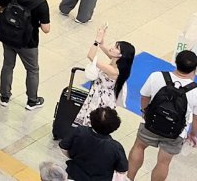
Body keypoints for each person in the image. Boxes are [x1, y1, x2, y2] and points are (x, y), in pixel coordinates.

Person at [127, 50, 197, 181]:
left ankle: (128, 178)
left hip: (151, 123)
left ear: (176, 63)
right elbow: (196, 117)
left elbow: (144, 96)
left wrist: (145, 113)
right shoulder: (195, 90)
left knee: (139, 147)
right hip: (176, 132)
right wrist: (193, 133)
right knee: (163, 163)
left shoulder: (157, 76)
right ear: (194, 69)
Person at [0, 0, 51, 110]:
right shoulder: (41, 3)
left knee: (8, 65)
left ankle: (4, 96)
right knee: (32, 70)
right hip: (28, 42)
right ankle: (32, 101)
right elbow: (46, 29)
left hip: (7, 37)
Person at [75, 26, 136, 130]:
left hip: (100, 99)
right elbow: (103, 46)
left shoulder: (113, 70)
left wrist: (96, 40)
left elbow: (91, 56)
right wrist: (101, 37)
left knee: (92, 123)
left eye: (116, 48)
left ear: (121, 55)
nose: (112, 48)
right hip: (99, 95)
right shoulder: (117, 62)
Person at [61, 107, 130, 181]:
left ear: (92, 119)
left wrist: (72, 156)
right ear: (114, 126)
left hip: (74, 175)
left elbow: (63, 147)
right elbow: (122, 170)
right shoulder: (116, 147)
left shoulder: (80, 131)